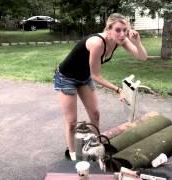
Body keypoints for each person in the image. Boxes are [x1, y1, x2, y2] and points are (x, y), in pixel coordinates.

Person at [53, 13, 148, 160]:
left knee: (95, 114)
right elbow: (95, 76)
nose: (122, 34)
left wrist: (137, 42)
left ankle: (94, 146)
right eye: (118, 30)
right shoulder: (97, 43)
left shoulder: (120, 40)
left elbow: (142, 57)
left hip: (83, 77)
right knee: (72, 122)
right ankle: (72, 155)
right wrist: (118, 89)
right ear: (108, 29)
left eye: (125, 30)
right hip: (66, 78)